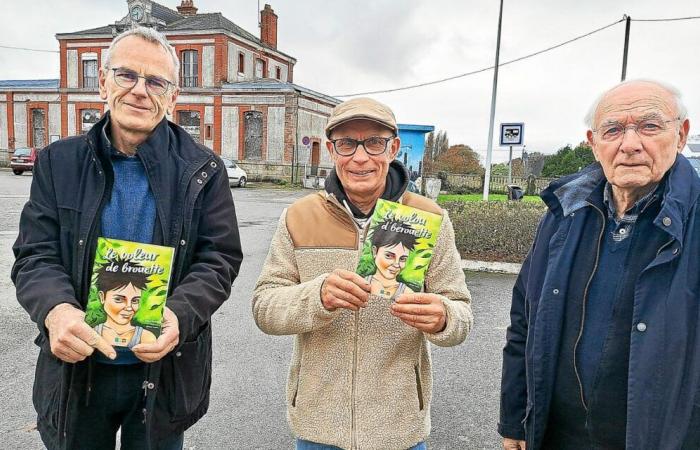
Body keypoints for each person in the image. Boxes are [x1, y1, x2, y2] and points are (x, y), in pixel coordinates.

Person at [12, 26, 242, 450]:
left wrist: (178, 315)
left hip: (163, 370)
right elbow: (34, 255)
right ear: (103, 82)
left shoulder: (203, 170)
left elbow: (220, 259)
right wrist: (56, 310)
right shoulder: (59, 163)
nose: (140, 90)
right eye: (127, 75)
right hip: (78, 371)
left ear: (173, 96)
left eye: (156, 81)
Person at [252, 97, 473, 450]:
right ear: (331, 149)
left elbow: (461, 313)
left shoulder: (430, 219)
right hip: (318, 428)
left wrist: (443, 317)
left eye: (374, 142)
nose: (360, 157)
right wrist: (317, 296)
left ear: (393, 148)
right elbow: (264, 308)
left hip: (399, 429)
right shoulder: (298, 217)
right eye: (347, 143)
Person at [499, 79, 700, 450]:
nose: (630, 144)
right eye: (613, 129)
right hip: (555, 436)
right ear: (594, 144)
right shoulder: (564, 213)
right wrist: (514, 420)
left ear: (681, 134)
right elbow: (524, 321)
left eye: (649, 126)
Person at [93, 257, 157, 348]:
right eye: (119, 299)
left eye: (135, 300)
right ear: (102, 297)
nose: (129, 307)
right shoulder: (92, 332)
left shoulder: (147, 337)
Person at [366, 218, 417, 298]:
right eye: (389, 256)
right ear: (375, 252)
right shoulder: (360, 282)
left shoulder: (409, 293)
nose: (396, 264)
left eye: (402, 259)